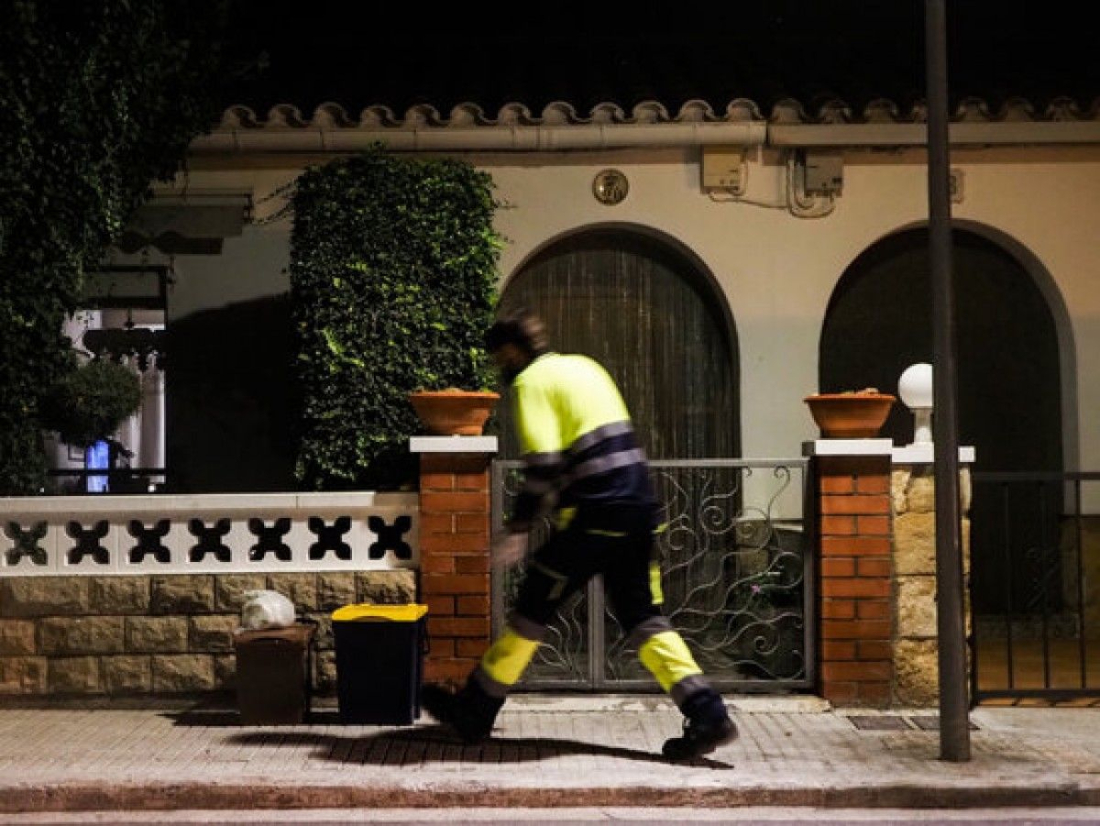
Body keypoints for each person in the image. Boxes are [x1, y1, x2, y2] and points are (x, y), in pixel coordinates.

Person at [421, 309, 737, 761]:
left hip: (595, 516)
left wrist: (519, 527)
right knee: (644, 619)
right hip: (639, 509)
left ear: (510, 351)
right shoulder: (586, 366)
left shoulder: (531, 382)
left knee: (531, 611)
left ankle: (474, 711)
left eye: (499, 357)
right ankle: (708, 713)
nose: (500, 366)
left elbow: (544, 464)